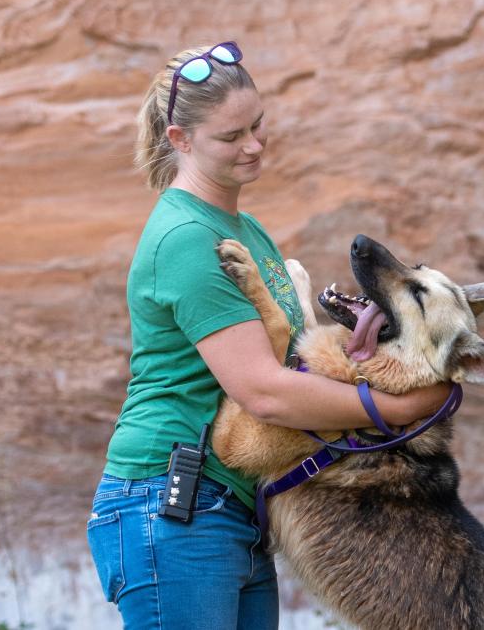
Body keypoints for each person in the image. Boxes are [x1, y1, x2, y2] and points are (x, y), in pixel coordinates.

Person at [85, 42, 451, 630]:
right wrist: (398, 407)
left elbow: (293, 356)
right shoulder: (184, 238)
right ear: (180, 140)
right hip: (172, 506)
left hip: (233, 508)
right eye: (231, 137)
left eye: (258, 126)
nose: (253, 145)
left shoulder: (244, 228)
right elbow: (264, 392)